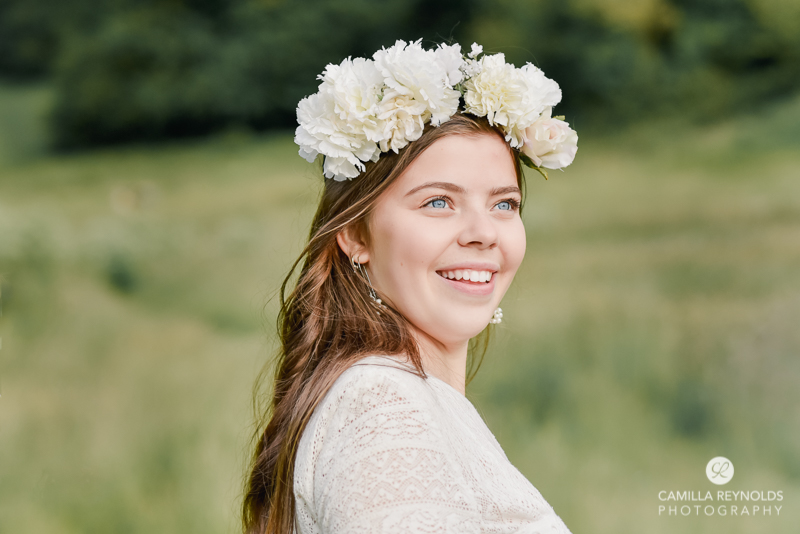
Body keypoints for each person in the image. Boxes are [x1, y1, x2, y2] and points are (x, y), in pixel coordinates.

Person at [242, 39, 578, 534]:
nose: (483, 232)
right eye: (438, 202)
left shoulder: (398, 397)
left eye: (504, 204)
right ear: (356, 234)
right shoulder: (383, 411)